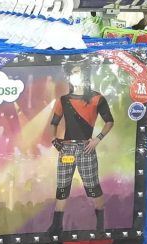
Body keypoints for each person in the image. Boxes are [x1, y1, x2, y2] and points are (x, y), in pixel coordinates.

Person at [48, 57, 114, 234]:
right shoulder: (63, 100)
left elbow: (109, 121)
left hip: (86, 148)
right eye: (73, 72)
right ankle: (56, 226)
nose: (76, 75)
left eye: (79, 72)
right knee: (63, 187)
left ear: (85, 74)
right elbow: (54, 122)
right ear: (69, 76)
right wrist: (54, 141)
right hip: (67, 150)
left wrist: (97, 139)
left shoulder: (97, 98)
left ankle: (100, 226)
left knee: (93, 187)